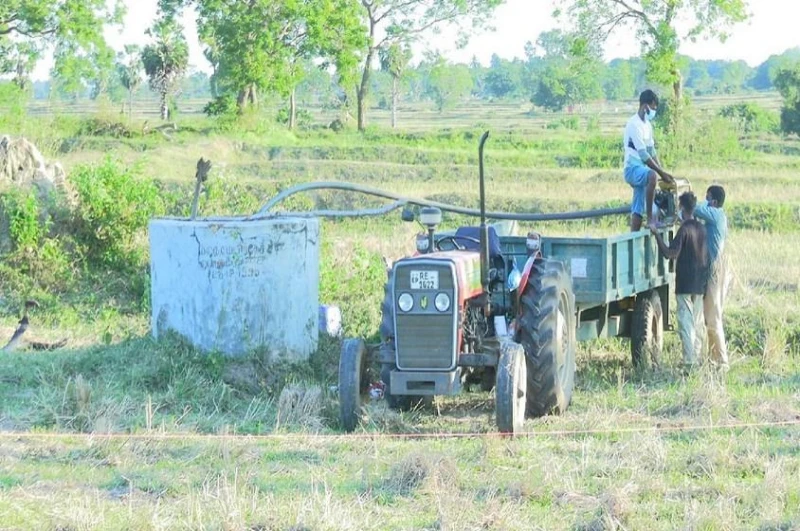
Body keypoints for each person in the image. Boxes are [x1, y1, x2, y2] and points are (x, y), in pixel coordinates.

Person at [651, 192, 709, 370]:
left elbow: (670, 254)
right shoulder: (702, 228)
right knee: (698, 323)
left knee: (686, 323)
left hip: (685, 283)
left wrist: (656, 234)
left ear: (682, 208)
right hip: (700, 283)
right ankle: (697, 358)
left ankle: (689, 361)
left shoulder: (684, 230)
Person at [623, 90, 676, 231]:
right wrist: (659, 173)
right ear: (645, 106)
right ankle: (651, 219)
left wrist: (663, 171)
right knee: (652, 175)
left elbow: (652, 151)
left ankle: (633, 236)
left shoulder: (648, 126)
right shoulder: (634, 124)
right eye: (653, 108)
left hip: (642, 170)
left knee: (637, 208)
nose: (653, 112)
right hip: (632, 169)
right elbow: (644, 155)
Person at [695, 185, 730, 370]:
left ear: (714, 202)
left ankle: (721, 362)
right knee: (710, 316)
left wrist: (690, 199)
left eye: (707, 197)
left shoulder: (715, 214)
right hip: (718, 268)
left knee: (713, 316)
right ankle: (713, 359)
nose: (705, 200)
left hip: (716, 269)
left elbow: (697, 208)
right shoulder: (718, 217)